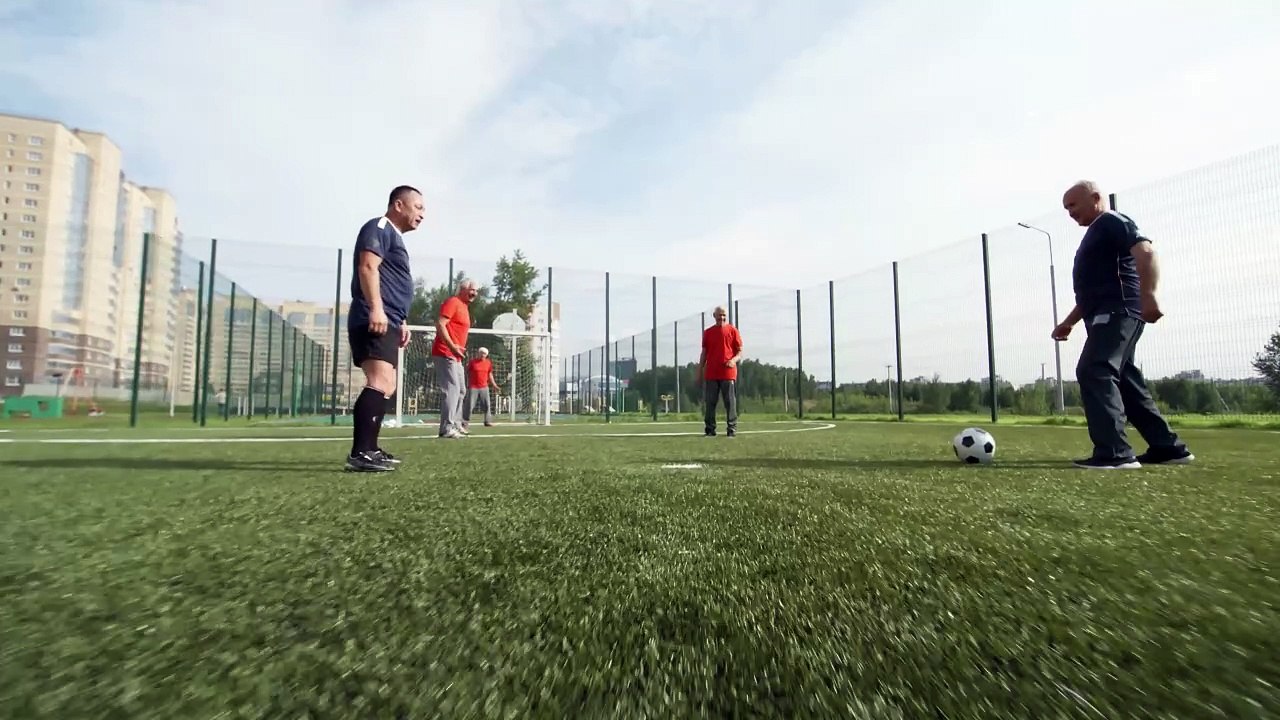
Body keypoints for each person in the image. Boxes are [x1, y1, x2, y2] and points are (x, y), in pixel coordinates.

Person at [1054, 180, 1194, 469]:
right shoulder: (1096, 233)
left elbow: (1146, 252)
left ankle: (1114, 453)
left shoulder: (1113, 221)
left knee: (1095, 369)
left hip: (1118, 312)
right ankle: (1167, 448)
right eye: (1066, 208)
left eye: (1073, 205)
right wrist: (1069, 322)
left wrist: (1150, 296)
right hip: (1105, 313)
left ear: (1095, 198)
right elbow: (1094, 291)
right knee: (1126, 381)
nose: (1069, 212)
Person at [345, 185, 424, 471]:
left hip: (389, 317)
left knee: (387, 384)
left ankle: (371, 448)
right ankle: (360, 453)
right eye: (418, 207)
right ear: (399, 205)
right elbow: (368, 267)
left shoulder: (395, 237)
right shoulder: (379, 226)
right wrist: (377, 308)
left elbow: (391, 281)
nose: (422, 215)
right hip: (372, 316)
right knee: (378, 381)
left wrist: (400, 319)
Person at [432, 279, 479, 438]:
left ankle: (456, 424)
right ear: (463, 289)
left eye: (476, 291)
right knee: (451, 389)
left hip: (455, 356)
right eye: (472, 290)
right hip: (445, 352)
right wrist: (452, 346)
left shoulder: (464, 307)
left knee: (461, 390)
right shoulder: (453, 302)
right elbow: (440, 324)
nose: (474, 293)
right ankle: (446, 428)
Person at [699, 305, 743, 437]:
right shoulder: (708, 333)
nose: (722, 318)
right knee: (710, 402)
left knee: (730, 402)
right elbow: (704, 353)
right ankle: (710, 430)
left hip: (728, 373)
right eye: (719, 315)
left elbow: (740, 352)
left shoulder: (733, 331)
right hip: (711, 373)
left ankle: (732, 429)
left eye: (724, 315)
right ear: (714, 316)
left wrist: (733, 360)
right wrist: (699, 369)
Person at [463, 346, 501, 429]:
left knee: (487, 405)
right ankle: (464, 423)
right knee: (469, 405)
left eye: (484, 354)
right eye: (481, 353)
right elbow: (466, 372)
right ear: (478, 353)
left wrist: (494, 385)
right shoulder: (472, 362)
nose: (482, 355)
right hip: (473, 387)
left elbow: (490, 374)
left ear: (486, 355)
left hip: (484, 387)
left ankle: (487, 421)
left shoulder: (488, 363)